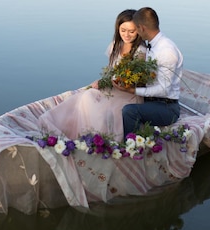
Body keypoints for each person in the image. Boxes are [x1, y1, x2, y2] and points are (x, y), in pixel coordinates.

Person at [37, 9, 146, 141]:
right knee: (83, 96)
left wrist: (115, 83)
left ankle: (97, 138)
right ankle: (62, 128)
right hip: (114, 87)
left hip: (128, 93)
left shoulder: (140, 52)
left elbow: (136, 81)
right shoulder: (115, 46)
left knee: (91, 99)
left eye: (131, 31)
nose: (126, 35)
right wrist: (104, 81)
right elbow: (112, 72)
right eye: (123, 30)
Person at [112, 7, 183, 138]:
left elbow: (164, 90)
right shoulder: (153, 45)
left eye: (136, 29)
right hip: (149, 100)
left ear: (142, 28)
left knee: (130, 111)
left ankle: (132, 148)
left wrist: (133, 91)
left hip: (166, 107)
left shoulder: (166, 51)